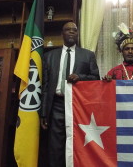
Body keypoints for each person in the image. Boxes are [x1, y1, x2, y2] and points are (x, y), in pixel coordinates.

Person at [40, 22, 100, 167]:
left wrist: (80, 77)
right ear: (62, 34)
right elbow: (45, 87)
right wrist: (43, 113)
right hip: (57, 105)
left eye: (74, 30)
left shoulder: (88, 55)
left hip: (78, 106)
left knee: (78, 144)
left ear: (78, 34)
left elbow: (96, 78)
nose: (71, 32)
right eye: (68, 30)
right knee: (56, 146)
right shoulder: (49, 56)